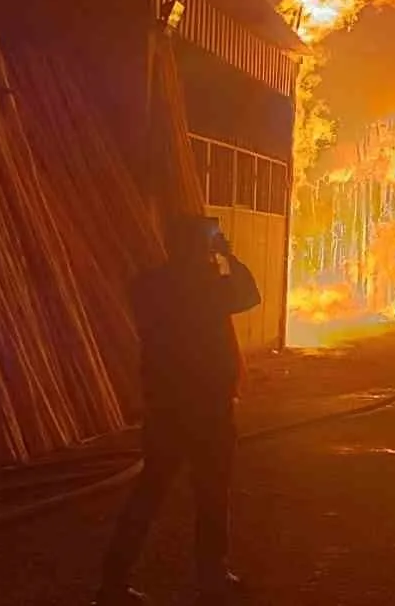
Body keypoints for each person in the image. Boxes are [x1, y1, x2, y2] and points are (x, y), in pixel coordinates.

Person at [95, 215, 260, 606]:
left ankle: (112, 583)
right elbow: (250, 295)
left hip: (166, 407)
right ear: (200, 246)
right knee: (211, 494)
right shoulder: (210, 287)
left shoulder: (148, 286)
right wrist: (228, 255)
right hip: (208, 408)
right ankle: (211, 577)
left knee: (149, 493)